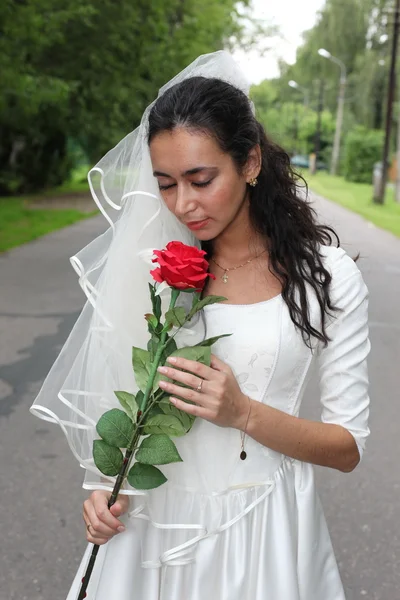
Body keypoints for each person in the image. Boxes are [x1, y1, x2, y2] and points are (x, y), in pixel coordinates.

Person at [30, 51, 370, 600]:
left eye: (201, 178)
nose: (183, 203)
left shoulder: (328, 279)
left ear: (251, 163)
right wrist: (102, 493)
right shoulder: (157, 269)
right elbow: (122, 405)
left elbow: (347, 447)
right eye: (165, 183)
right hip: (151, 528)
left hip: (262, 525)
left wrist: (244, 413)